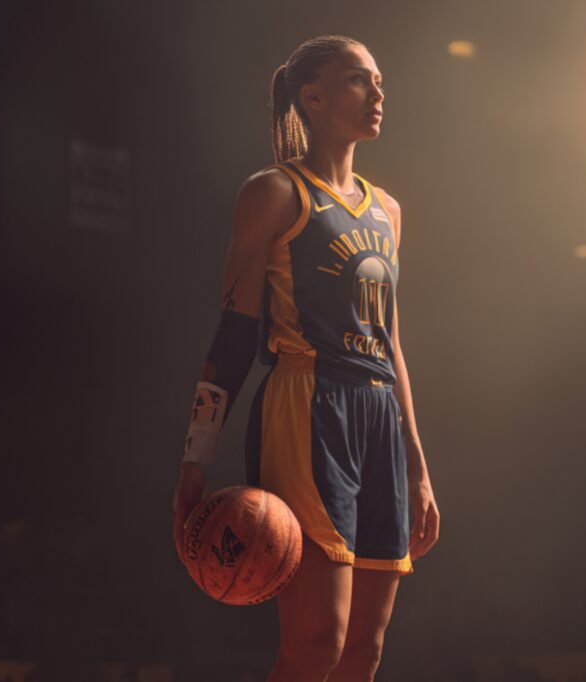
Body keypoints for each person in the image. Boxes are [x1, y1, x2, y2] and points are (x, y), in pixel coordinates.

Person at [173, 35, 440, 682]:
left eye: (378, 80)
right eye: (358, 79)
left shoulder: (387, 210)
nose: (378, 92)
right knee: (319, 642)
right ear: (313, 97)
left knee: (364, 653)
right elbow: (234, 331)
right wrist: (195, 457)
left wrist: (418, 466)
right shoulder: (274, 192)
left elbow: (391, 344)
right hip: (306, 401)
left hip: (378, 415)